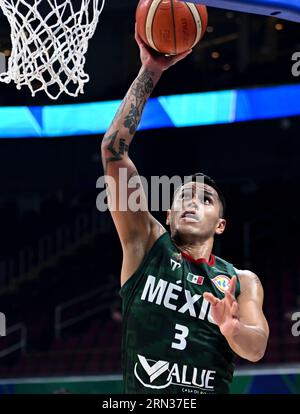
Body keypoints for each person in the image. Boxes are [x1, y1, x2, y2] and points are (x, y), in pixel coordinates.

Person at [101, 27, 269, 394]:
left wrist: (231, 328)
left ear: (221, 225)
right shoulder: (144, 245)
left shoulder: (242, 281)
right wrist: (151, 71)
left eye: (205, 200)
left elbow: (255, 348)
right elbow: (114, 152)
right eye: (184, 197)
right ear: (167, 214)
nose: (192, 202)